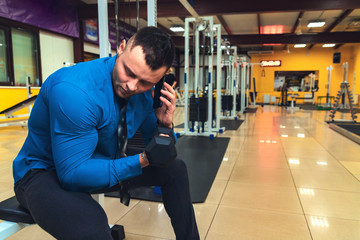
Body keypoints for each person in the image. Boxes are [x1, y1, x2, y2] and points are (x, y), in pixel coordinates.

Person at [12, 26, 199, 240]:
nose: (131, 86)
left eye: (145, 82)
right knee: (91, 225)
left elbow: (163, 154)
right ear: (121, 47)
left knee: (175, 169)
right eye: (128, 72)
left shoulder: (147, 93)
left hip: (97, 162)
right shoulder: (75, 91)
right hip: (43, 173)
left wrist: (164, 124)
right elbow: (71, 175)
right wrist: (142, 160)